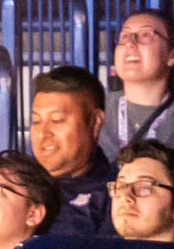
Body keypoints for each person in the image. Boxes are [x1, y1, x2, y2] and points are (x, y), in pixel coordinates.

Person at [100, 8, 174, 168]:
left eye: (145, 35)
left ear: (173, 56)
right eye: (124, 36)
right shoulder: (96, 109)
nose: (130, 42)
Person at [26, 64, 117, 231]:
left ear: (95, 122)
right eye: (36, 121)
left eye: (57, 120)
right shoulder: (14, 184)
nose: (43, 133)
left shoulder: (117, 194)